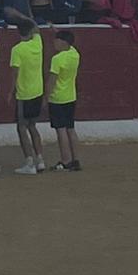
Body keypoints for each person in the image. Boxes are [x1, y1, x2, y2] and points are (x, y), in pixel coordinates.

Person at [5, 14, 47, 174]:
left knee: (22, 127)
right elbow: (35, 26)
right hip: (38, 91)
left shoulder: (17, 50)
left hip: (24, 94)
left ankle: (29, 162)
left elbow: (14, 73)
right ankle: (40, 160)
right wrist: (21, 16)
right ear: (30, 33)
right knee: (33, 126)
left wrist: (10, 92)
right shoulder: (38, 43)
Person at [46, 29, 82, 171]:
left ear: (63, 42)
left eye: (57, 40)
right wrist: (55, 30)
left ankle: (65, 160)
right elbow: (70, 43)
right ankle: (76, 160)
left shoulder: (57, 59)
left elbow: (51, 81)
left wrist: (46, 98)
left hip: (57, 98)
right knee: (70, 129)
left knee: (61, 130)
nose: (54, 42)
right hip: (70, 97)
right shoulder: (75, 54)